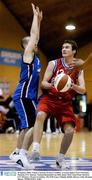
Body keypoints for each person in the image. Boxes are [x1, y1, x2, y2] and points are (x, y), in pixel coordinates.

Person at [17, 40, 86, 169]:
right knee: (40, 116)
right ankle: (35, 149)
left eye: (67, 47)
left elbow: (83, 90)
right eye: (62, 47)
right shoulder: (53, 63)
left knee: (70, 131)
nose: (63, 49)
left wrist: (72, 85)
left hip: (65, 103)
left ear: (74, 51)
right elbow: (43, 83)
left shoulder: (79, 69)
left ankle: (60, 159)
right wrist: (53, 84)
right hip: (49, 98)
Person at [9, 3, 42, 168]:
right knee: (34, 124)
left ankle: (16, 152)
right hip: (24, 95)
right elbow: (34, 34)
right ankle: (22, 154)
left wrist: (40, 20)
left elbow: (37, 36)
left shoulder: (35, 57)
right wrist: (35, 17)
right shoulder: (27, 54)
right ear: (27, 45)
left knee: (26, 126)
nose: (36, 42)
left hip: (28, 96)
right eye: (33, 42)